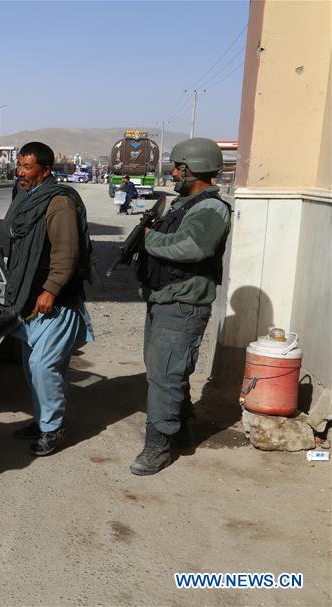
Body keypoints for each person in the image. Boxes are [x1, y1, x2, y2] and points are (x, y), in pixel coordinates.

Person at [131, 137, 230, 476]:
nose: (173, 172)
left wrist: (149, 239)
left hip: (183, 304)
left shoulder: (211, 208)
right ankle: (182, 430)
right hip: (166, 299)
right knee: (169, 372)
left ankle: (157, 447)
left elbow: (191, 246)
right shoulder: (186, 204)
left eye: (178, 167)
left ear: (195, 170)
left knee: (165, 376)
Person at [4, 142, 94, 456]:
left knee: (43, 366)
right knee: (31, 368)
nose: (20, 172)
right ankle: (42, 420)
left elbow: (67, 253)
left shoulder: (59, 202)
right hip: (29, 302)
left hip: (56, 302)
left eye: (27, 167)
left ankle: (53, 428)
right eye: (19, 165)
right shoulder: (25, 197)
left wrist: (51, 289)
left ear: (45, 170)